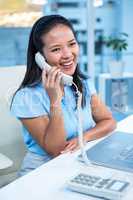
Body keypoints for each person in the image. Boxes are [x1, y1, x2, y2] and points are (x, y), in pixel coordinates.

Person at [11, 15, 116, 176]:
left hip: (77, 165)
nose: (68, 54)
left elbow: (108, 122)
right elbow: (56, 150)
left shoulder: (83, 84)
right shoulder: (26, 97)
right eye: (56, 49)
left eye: (72, 44)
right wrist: (55, 101)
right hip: (41, 173)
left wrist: (84, 137)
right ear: (40, 57)